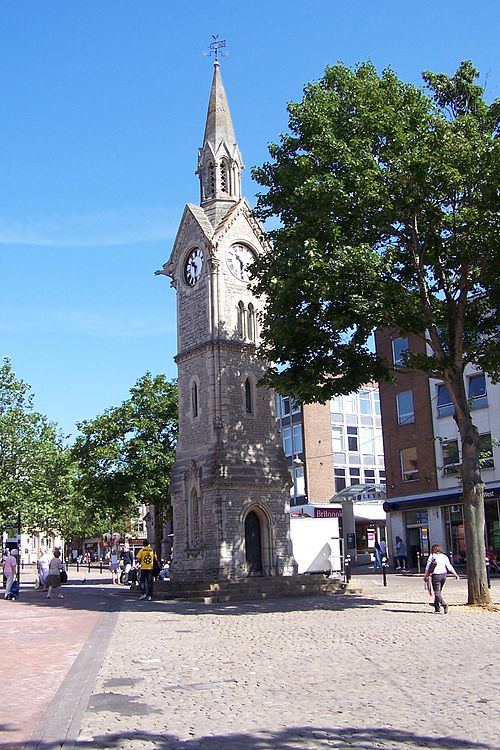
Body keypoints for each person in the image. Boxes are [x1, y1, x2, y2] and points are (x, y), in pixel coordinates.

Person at [424, 544, 459, 614]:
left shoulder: (432, 556)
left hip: (436, 575)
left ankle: (444, 604)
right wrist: (455, 574)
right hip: (443, 575)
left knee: (437, 592)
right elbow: (449, 566)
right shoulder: (444, 556)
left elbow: (427, 567)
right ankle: (437, 607)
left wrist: (426, 576)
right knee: (439, 591)